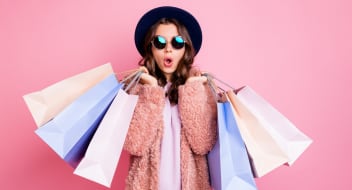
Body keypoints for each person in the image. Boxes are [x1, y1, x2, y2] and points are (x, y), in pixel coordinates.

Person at [123, 6, 217, 190]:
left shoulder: (201, 88)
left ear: (186, 48)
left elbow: (202, 143)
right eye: (159, 42)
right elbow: (134, 145)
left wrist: (192, 89)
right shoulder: (136, 90)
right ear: (150, 47)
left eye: (177, 42)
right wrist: (150, 91)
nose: (168, 49)